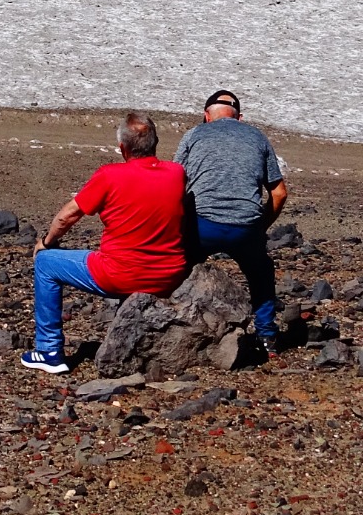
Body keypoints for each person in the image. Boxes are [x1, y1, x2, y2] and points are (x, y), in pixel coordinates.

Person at [20, 112, 188, 374]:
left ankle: (48, 350)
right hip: (167, 276)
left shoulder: (110, 175)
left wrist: (46, 241)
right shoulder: (176, 173)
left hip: (120, 274)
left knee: (45, 263)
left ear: (123, 148)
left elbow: (68, 216)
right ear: (155, 143)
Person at [175, 89, 287, 344]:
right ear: (239, 117)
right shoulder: (257, 137)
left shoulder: (193, 135)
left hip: (202, 224)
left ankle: (180, 329)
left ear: (206, 116)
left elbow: (175, 184)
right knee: (261, 273)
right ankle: (267, 337)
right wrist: (259, 227)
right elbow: (279, 194)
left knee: (181, 267)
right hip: (245, 225)